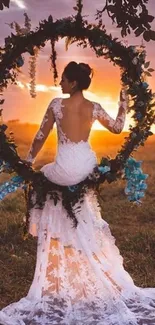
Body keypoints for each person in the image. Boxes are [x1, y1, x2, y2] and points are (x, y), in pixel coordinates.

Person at [0, 61, 155, 325]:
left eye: (63, 79)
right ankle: (77, 237)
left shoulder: (56, 105)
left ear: (72, 82)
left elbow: (40, 135)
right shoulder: (93, 107)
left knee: (44, 178)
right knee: (81, 210)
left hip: (64, 167)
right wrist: (123, 101)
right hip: (86, 166)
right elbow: (118, 127)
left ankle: (44, 227)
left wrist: (27, 161)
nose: (60, 83)